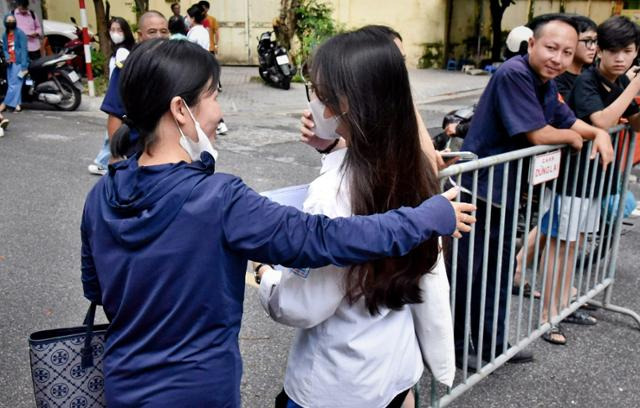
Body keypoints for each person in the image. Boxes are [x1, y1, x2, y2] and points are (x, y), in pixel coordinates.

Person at [80, 38, 474, 408]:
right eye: (214, 96)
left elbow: (95, 287)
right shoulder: (219, 199)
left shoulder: (101, 195)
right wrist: (426, 216)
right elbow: (326, 239)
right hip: (199, 389)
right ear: (181, 109)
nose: (219, 112)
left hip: (123, 382)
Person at [254, 27, 456, 408]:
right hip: (395, 368)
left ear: (345, 103)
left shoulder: (333, 191)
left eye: (319, 92)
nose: (316, 104)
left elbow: (304, 305)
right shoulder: (417, 167)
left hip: (335, 380)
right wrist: (331, 147)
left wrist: (267, 277)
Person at [451, 13, 613, 370]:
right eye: (551, 48)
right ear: (532, 45)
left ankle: (494, 344)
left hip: (506, 192)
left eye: (567, 52)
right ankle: (458, 348)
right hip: (480, 190)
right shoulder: (514, 73)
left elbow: (566, 118)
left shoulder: (544, 80)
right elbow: (539, 134)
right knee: (467, 273)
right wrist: (574, 138)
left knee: (497, 271)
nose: (558, 58)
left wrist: (597, 133)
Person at [538, 15, 640, 345]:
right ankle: (546, 317)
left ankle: (562, 307)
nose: (620, 59)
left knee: (573, 246)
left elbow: (632, 123)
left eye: (627, 51)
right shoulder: (587, 82)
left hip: (595, 183)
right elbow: (604, 120)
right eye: (612, 50)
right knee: (559, 248)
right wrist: (635, 88)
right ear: (599, 51)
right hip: (572, 182)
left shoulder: (621, 83)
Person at [87, 11, 169, 176]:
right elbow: (115, 113)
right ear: (140, 35)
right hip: (137, 152)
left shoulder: (177, 66)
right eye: (152, 32)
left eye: (164, 31)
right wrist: (116, 155)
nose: (159, 36)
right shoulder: (127, 69)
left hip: (170, 151)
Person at [88, 17, 136, 176]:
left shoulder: (123, 52)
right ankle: (105, 161)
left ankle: (104, 162)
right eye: (112, 30)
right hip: (117, 99)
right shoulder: (118, 50)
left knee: (112, 135)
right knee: (111, 136)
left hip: (119, 101)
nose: (115, 33)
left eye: (119, 30)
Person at [555, 15, 598, 100]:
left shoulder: (591, 74)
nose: (593, 47)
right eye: (587, 41)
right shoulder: (556, 77)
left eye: (595, 41)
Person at [0, 14, 28, 115]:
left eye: (13, 20)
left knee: (14, 85)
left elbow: (24, 50)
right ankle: (17, 105)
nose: (11, 21)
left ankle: (4, 104)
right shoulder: (4, 35)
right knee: (15, 84)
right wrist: (7, 57)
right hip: (10, 63)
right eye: (9, 20)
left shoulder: (20, 33)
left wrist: (24, 66)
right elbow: (4, 49)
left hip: (19, 62)